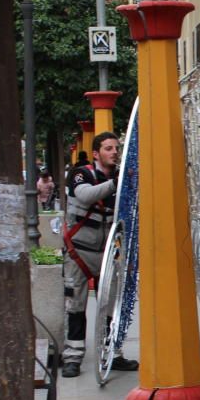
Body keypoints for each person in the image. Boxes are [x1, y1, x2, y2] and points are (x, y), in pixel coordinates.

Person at [61, 132, 139, 378]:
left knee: (110, 306)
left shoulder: (122, 177)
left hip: (109, 253)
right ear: (96, 153)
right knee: (75, 305)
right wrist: (117, 184)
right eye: (108, 148)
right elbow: (85, 195)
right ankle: (73, 356)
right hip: (79, 252)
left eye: (116, 148)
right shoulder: (80, 174)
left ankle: (112, 354)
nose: (114, 152)